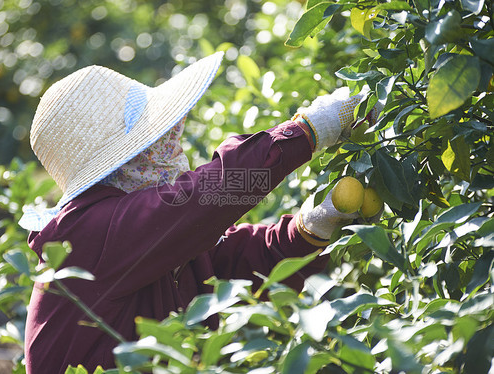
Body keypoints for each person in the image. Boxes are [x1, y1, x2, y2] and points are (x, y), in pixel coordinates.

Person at [19, 51, 378, 373]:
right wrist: (307, 131)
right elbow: (204, 199)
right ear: (122, 165)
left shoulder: (148, 236)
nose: (172, 147)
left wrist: (309, 228)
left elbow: (233, 260)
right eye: (156, 142)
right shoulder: (88, 235)